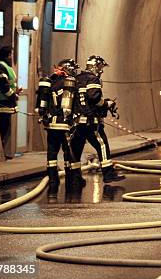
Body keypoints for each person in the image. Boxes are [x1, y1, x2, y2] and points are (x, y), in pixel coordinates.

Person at [70, 55, 125, 183]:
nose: (101, 70)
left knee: (76, 148)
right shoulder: (93, 79)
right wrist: (107, 104)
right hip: (91, 121)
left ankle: (75, 177)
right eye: (100, 67)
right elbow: (94, 98)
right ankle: (108, 173)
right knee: (102, 145)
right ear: (95, 66)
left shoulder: (77, 79)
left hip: (78, 121)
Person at [35, 59, 85, 194]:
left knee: (52, 153)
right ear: (68, 69)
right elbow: (75, 105)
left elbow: (42, 103)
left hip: (51, 124)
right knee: (69, 153)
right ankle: (73, 179)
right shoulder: (70, 83)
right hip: (65, 125)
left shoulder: (50, 83)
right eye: (73, 70)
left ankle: (53, 179)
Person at [0, 46, 22, 159]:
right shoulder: (0, 66)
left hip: (7, 103)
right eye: (10, 55)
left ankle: (2, 153)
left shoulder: (6, 67)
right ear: (7, 55)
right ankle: (0, 154)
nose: (11, 57)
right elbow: (2, 85)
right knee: (2, 128)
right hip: (2, 102)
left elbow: (8, 84)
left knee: (5, 128)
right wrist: (13, 95)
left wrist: (16, 91)